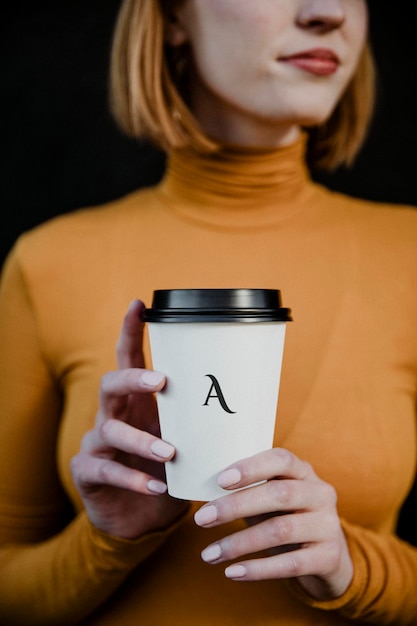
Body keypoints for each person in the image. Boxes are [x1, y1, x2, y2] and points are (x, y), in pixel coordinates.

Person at [0, 0, 416, 624]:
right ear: (170, 16)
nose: (329, 12)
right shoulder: (47, 263)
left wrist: (352, 568)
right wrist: (110, 538)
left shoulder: (407, 256)